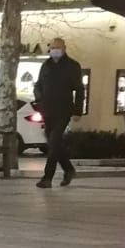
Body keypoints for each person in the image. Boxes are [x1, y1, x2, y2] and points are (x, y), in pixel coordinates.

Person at [32, 37, 84, 188]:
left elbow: (79, 90)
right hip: (47, 110)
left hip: (64, 110)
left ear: (64, 49)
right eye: (52, 48)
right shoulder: (46, 66)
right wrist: (39, 98)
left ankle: (47, 177)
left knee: (54, 139)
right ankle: (68, 169)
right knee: (54, 143)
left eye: (58, 48)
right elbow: (39, 85)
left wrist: (77, 111)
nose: (54, 51)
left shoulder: (72, 66)